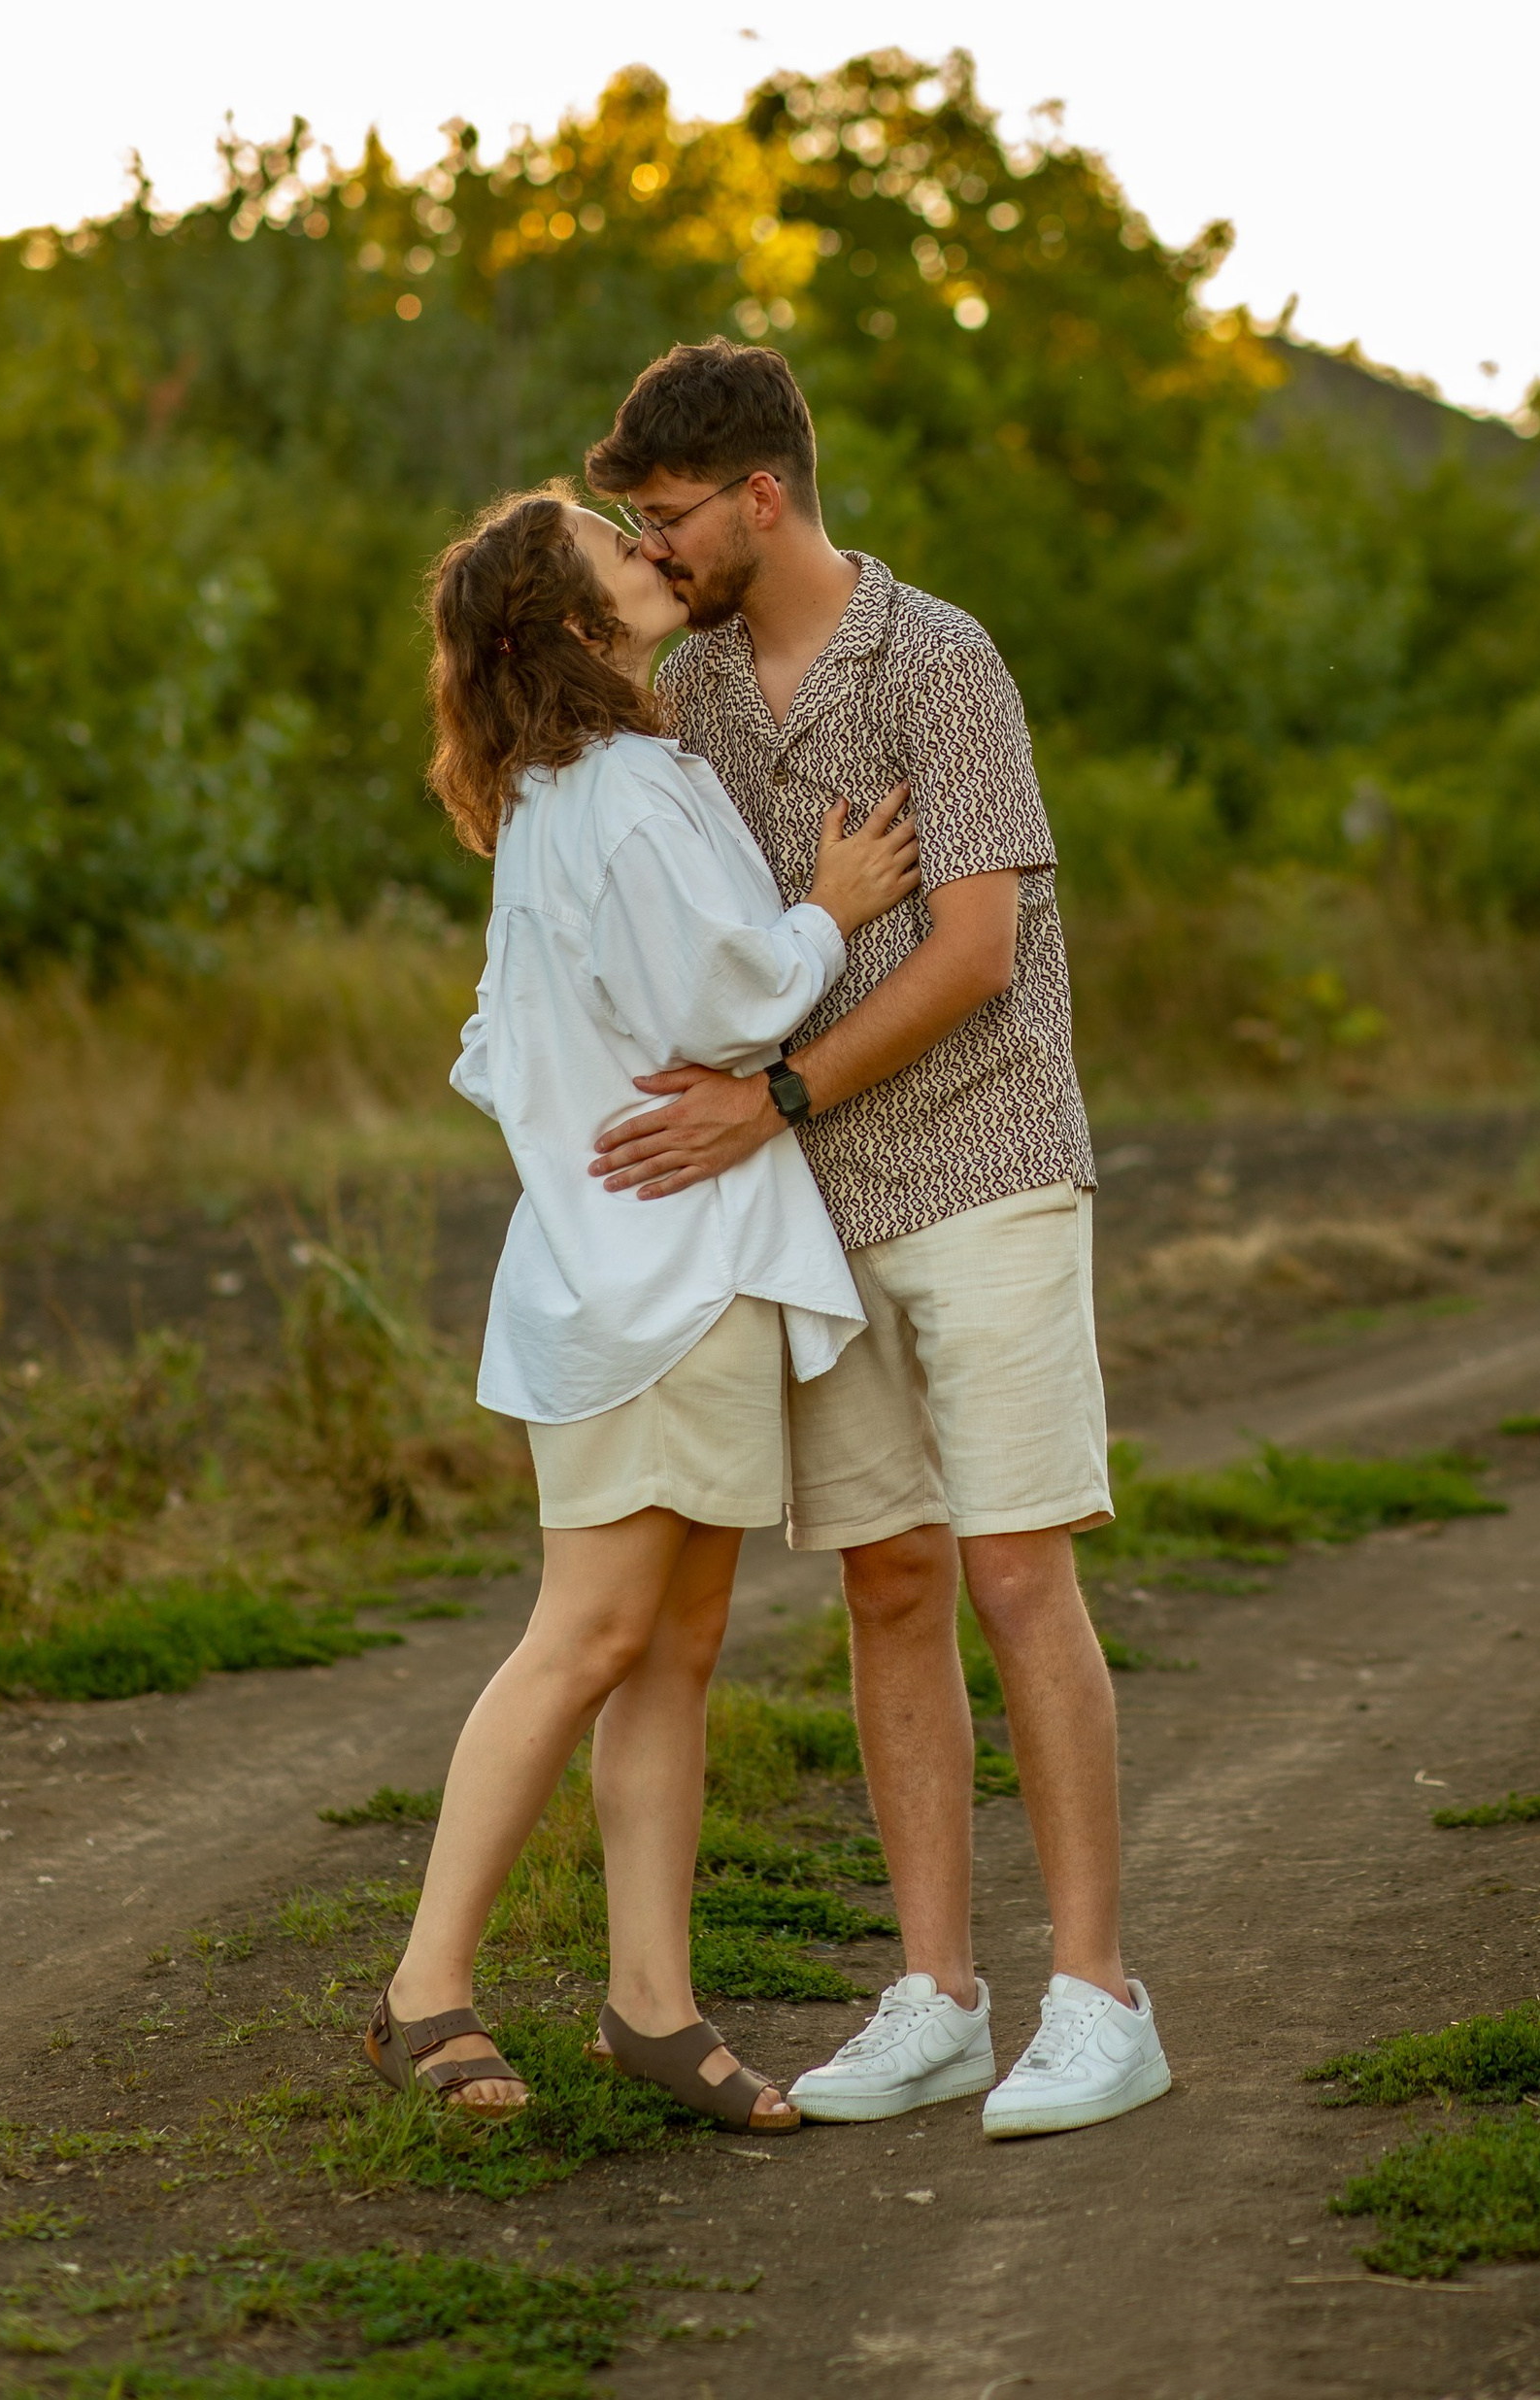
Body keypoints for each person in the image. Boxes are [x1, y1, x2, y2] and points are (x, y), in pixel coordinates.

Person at [582, 341, 1172, 2140]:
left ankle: (1098, 1998)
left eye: (668, 517)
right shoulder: (685, 696)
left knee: (1014, 1571)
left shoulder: (941, 657)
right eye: (635, 524)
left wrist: (781, 1096)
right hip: (813, 1219)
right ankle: (936, 1994)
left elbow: (976, 945)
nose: (655, 548)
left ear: (761, 494)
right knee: (888, 1583)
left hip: (982, 1163)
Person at [367, 484, 919, 2131]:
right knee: (594, 1635)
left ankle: (653, 2010)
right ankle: (422, 1991)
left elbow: (509, 1036)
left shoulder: (588, 792)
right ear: (568, 624)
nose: (651, 551)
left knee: (676, 1646)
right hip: (646, 1280)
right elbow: (709, 998)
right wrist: (835, 907)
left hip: (685, 1265)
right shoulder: (613, 792)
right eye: (618, 548)